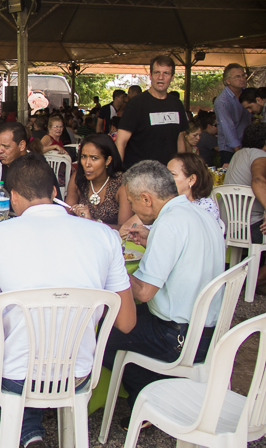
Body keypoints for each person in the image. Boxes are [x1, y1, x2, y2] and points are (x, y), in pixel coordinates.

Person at [0, 154, 136, 448]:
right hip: (78, 372)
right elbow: (126, 322)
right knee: (26, 340)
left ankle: (27, 431)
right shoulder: (104, 235)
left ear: (14, 198)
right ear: (55, 192)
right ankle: (30, 432)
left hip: (16, 377)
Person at [103, 160, 224, 413]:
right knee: (123, 321)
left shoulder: (168, 224)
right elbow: (186, 254)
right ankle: (157, 391)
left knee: (104, 335)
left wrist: (114, 266)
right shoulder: (198, 212)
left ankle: (150, 400)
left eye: (133, 202)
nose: (133, 209)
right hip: (207, 329)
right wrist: (152, 241)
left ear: (146, 198)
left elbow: (144, 293)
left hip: (176, 336)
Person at [116, 55, 188, 169]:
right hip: (140, 176)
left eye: (166, 73)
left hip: (168, 176)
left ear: (172, 77)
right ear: (150, 76)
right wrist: (117, 173)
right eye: (157, 72)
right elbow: (121, 141)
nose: (161, 77)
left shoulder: (177, 105)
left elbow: (180, 139)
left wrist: (183, 169)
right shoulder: (136, 104)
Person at [223, 122, 266, 291]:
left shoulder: (239, 154)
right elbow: (258, 180)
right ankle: (253, 282)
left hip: (230, 226)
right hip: (248, 228)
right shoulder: (259, 155)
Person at [66, 133, 133, 229]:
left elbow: (125, 229)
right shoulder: (78, 178)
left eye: (94, 158)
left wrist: (93, 222)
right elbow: (68, 216)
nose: (87, 164)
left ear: (108, 160)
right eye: (84, 157)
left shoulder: (122, 184)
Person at [167, 153, 224, 231]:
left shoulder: (205, 206)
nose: (165, 178)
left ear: (191, 179)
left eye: (172, 174)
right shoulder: (167, 202)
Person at [214, 63, 251, 166]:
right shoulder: (222, 101)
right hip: (230, 149)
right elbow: (228, 128)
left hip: (246, 146)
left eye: (243, 75)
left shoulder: (247, 93)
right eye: (237, 77)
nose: (242, 79)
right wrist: (238, 152)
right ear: (228, 81)